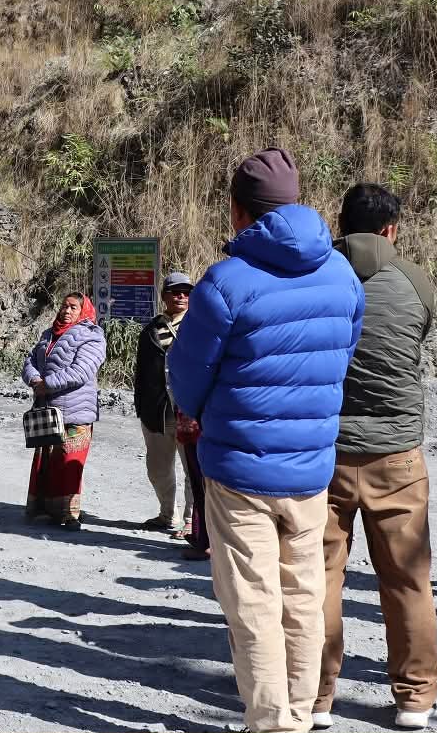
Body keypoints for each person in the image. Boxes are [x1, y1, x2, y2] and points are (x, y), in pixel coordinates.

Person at [168, 148, 365, 733]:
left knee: (252, 601)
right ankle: (301, 714)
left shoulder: (226, 281)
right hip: (310, 466)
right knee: (303, 595)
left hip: (239, 469)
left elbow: (187, 378)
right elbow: (343, 354)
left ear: (238, 210)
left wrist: (203, 412)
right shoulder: (342, 274)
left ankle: (273, 722)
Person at [316, 184, 437, 731]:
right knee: (408, 580)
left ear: (340, 223)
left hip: (327, 450)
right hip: (397, 452)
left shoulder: (316, 276)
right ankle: (415, 698)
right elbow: (418, 338)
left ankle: (316, 696)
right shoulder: (415, 281)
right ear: (391, 229)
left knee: (319, 577)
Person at [22, 293, 106, 530]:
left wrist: (47, 384)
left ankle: (70, 514)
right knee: (48, 462)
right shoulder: (48, 334)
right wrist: (34, 379)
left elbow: (82, 371)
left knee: (70, 462)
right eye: (64, 306)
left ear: (83, 311)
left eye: (73, 307)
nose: (66, 311)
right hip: (48, 409)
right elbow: (30, 360)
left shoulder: (92, 336)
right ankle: (47, 510)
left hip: (76, 410)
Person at [133, 271, 194, 538]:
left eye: (186, 292)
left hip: (190, 411)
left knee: (193, 469)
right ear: (164, 296)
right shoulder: (151, 329)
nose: (181, 296)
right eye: (175, 291)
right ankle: (167, 514)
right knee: (157, 469)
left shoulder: (200, 326)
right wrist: (141, 406)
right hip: (157, 411)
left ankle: (192, 520)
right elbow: (141, 372)